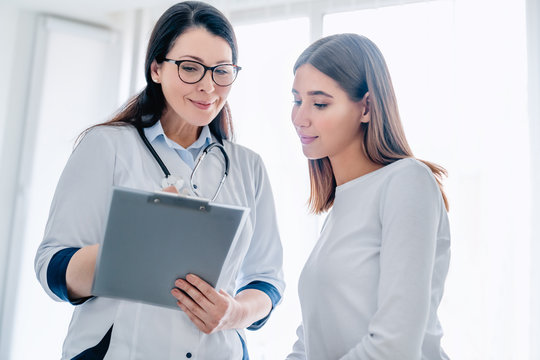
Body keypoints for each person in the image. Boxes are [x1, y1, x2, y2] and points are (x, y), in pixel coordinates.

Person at [34, 2, 284, 359]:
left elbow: (268, 280)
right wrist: (135, 239)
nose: (208, 86)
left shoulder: (248, 166)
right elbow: (53, 267)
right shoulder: (107, 146)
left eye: (222, 71)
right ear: (156, 68)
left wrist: (236, 313)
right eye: (190, 68)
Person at [286, 33, 451, 359]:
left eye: (319, 103)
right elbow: (311, 339)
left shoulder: (407, 182)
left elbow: (395, 344)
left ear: (367, 107)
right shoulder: (340, 207)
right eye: (296, 100)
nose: (299, 117)